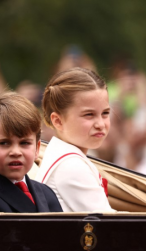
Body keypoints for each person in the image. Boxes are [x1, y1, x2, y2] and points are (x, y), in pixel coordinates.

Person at [35, 67, 114, 212]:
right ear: (58, 121)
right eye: (89, 114)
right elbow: (110, 226)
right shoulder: (70, 165)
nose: (100, 124)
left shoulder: (64, 156)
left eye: (105, 113)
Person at [0, 93, 62, 213]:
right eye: (4, 143)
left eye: (24, 143)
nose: (16, 152)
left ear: (37, 149)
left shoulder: (47, 194)